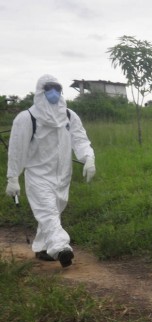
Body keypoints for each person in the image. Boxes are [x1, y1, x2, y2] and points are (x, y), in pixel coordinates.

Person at [5, 74, 96, 268]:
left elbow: (80, 139)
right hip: (38, 175)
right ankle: (62, 248)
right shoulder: (27, 118)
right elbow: (16, 149)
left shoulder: (69, 115)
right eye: (48, 88)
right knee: (47, 211)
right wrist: (12, 177)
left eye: (57, 88)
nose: (53, 93)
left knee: (53, 211)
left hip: (63, 175)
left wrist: (89, 158)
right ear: (40, 91)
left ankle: (41, 248)